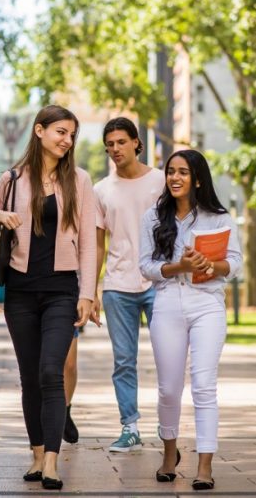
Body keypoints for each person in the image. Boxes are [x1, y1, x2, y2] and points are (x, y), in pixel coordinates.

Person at [0, 105, 99, 491]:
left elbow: (87, 243)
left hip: (62, 291)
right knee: (30, 376)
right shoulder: (11, 180)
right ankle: (35, 454)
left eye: (71, 135)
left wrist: (87, 293)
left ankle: (51, 459)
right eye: (61, 132)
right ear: (39, 131)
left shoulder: (79, 180)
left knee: (51, 370)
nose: (67, 140)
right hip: (20, 293)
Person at [139, 149, 242, 492]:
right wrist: (179, 267)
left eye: (183, 172)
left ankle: (205, 465)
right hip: (167, 304)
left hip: (207, 305)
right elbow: (146, 267)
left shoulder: (219, 217)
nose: (175, 178)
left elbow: (236, 262)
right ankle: (169, 454)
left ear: (198, 178)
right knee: (169, 389)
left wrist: (210, 265)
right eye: (171, 172)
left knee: (203, 386)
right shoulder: (154, 216)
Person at [93, 117, 166, 451]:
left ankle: (169, 427)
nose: (115, 149)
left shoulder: (162, 182)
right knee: (124, 360)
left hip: (159, 282)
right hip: (118, 286)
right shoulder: (101, 190)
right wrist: (91, 290)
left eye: (121, 142)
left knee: (169, 356)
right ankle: (130, 427)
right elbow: (97, 244)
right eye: (109, 144)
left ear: (137, 143)